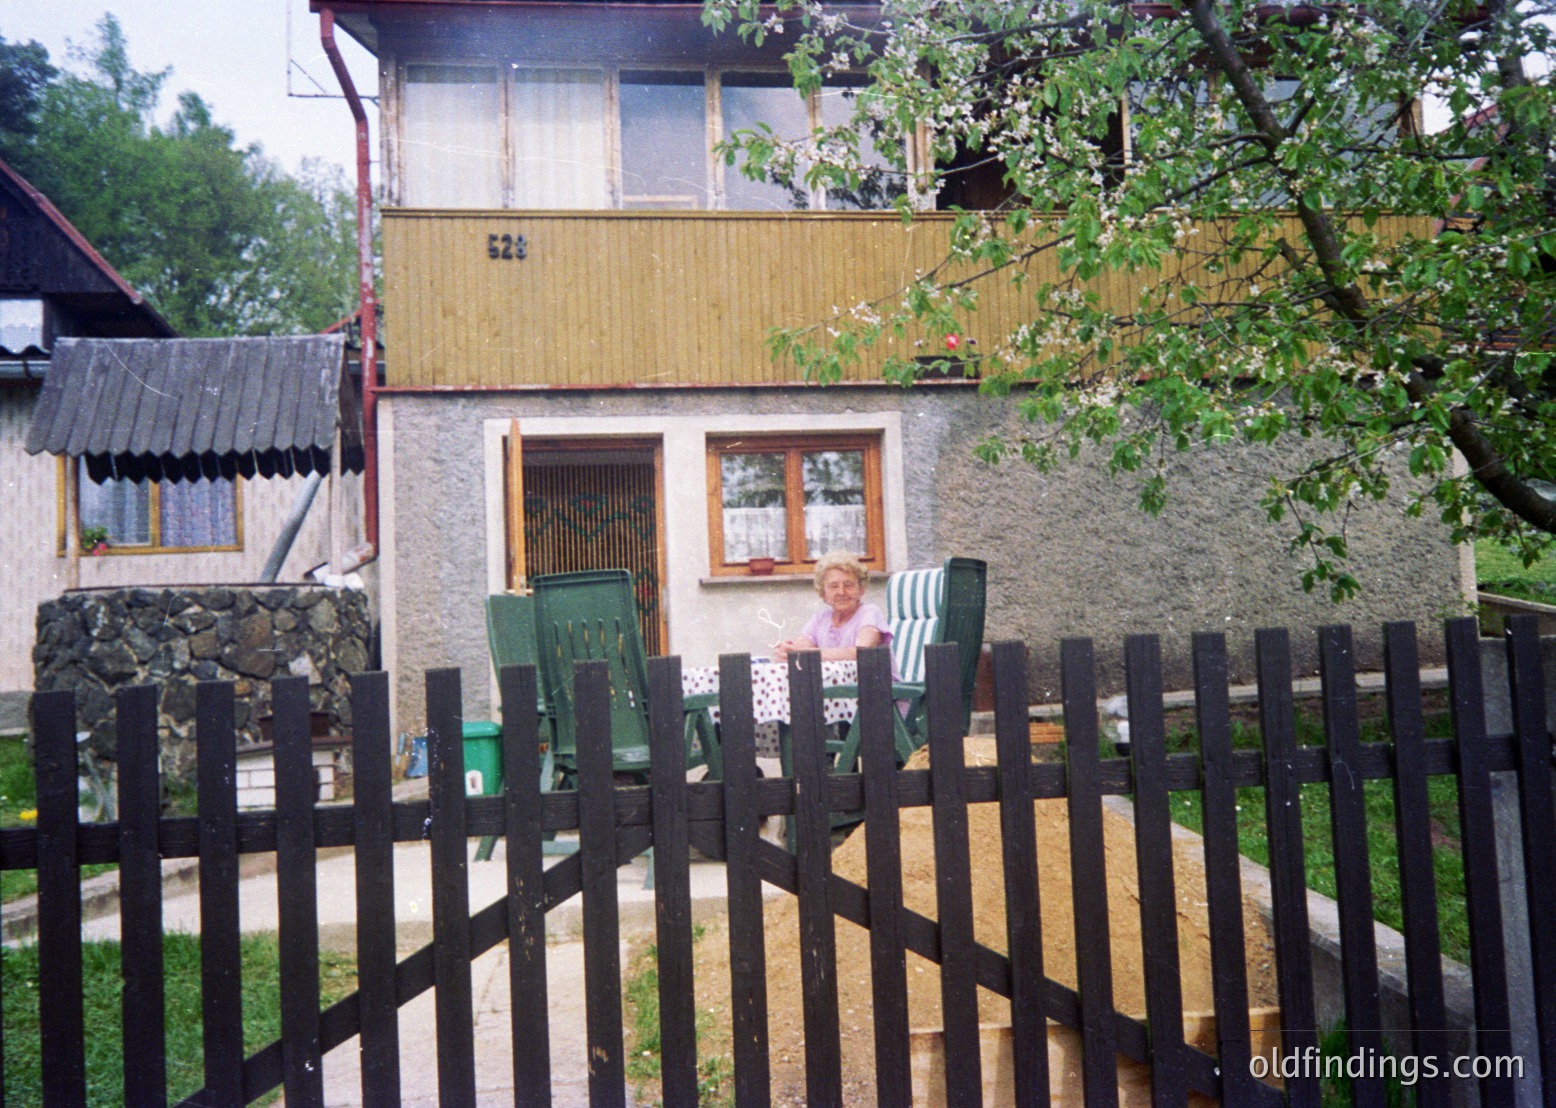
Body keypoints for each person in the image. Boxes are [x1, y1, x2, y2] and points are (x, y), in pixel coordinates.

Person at [772, 550, 892, 663]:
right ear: (823, 594)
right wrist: (787, 650)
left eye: (848, 585)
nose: (841, 592)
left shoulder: (870, 613)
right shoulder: (820, 619)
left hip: (876, 684)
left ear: (861, 590)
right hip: (838, 684)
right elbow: (801, 645)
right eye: (834, 586)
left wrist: (805, 653)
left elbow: (861, 652)